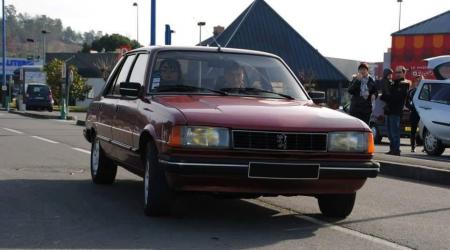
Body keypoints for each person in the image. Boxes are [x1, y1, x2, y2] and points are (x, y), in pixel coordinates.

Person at [380, 65, 410, 156]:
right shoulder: (393, 82)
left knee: (394, 132)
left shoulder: (404, 84)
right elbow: (388, 95)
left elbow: (396, 97)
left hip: (396, 111)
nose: (397, 74)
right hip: (389, 110)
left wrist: (384, 97)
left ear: (404, 73)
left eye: (399, 72)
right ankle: (392, 149)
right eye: (396, 72)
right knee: (389, 133)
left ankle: (396, 150)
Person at [406, 74, 423, 152]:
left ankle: (425, 147)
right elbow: (406, 102)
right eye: (417, 81)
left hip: (424, 114)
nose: (418, 82)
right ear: (415, 82)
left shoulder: (426, 90)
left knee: (426, 130)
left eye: (420, 80)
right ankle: (413, 146)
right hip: (414, 113)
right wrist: (411, 108)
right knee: (413, 130)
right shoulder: (411, 91)